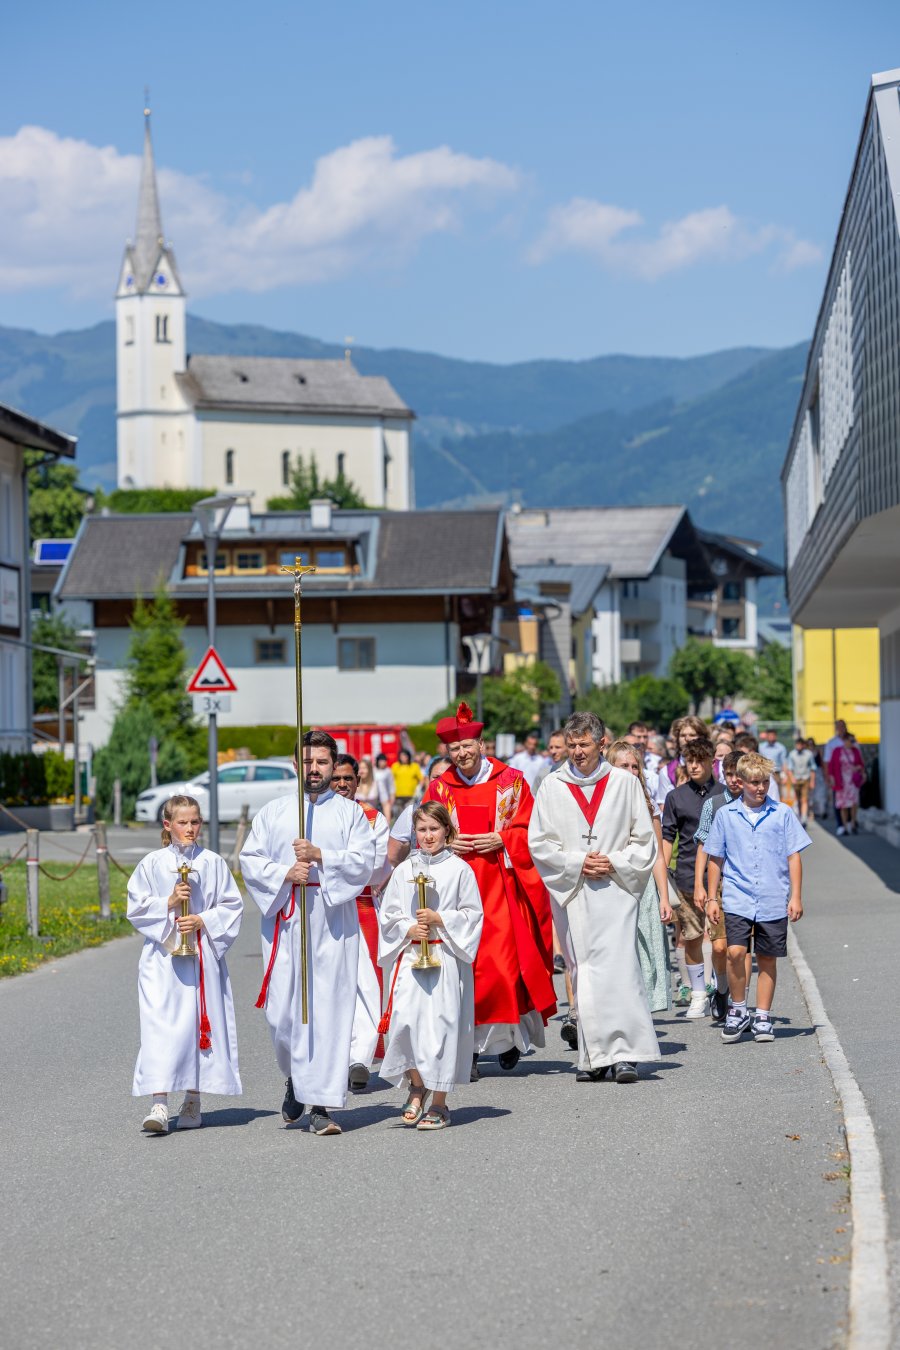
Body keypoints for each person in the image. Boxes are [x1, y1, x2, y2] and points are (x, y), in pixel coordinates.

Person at [240, 731, 376, 1136]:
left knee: (328, 1010)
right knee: (282, 1013)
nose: (314, 769)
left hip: (333, 920)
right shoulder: (275, 812)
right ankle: (295, 1077)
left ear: (334, 765)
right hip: (288, 917)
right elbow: (250, 859)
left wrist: (321, 856)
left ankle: (321, 1105)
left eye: (321, 762)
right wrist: (285, 872)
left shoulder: (350, 814)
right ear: (296, 764)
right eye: (307, 762)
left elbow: (363, 862)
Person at [423, 701, 556, 1077]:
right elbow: (425, 831)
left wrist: (503, 838)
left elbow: (534, 828)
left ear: (481, 745)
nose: (462, 753)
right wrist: (448, 842)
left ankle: (508, 1038)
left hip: (501, 883)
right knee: (464, 967)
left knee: (501, 966)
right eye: (455, 748)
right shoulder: (439, 787)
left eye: (468, 745)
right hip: (456, 887)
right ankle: (468, 1050)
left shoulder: (510, 781)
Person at [529, 711, 660, 1084]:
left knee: (620, 968)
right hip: (573, 890)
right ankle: (594, 1056)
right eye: (571, 745)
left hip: (616, 889)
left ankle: (625, 1054)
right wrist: (577, 862)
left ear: (602, 743)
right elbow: (539, 842)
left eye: (584, 744)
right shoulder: (552, 786)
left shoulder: (624, 783)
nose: (577, 752)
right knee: (583, 971)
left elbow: (644, 840)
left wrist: (613, 862)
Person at [127, 795, 243, 1133]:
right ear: (168, 824)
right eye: (182, 822)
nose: (190, 828)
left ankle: (193, 1099)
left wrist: (203, 919)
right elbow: (136, 907)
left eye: (195, 822)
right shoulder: (152, 864)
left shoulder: (212, 862)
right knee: (159, 1027)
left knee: (197, 1025)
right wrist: (168, 902)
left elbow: (232, 905)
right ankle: (159, 1102)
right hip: (163, 957)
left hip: (201, 954)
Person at [377, 802, 484, 1130]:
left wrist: (441, 918)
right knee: (404, 1024)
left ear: (447, 831)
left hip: (445, 956)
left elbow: (473, 914)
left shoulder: (460, 870)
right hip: (411, 956)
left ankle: (439, 1102)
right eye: (421, 829)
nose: (427, 836)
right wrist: (408, 928)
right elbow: (389, 914)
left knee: (441, 1029)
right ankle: (417, 1085)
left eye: (434, 829)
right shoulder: (403, 871)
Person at [704, 752, 811, 1043]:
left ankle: (762, 1015)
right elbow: (716, 858)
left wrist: (796, 896)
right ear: (740, 781)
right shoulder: (726, 815)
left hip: (772, 897)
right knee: (735, 953)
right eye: (754, 782)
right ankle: (738, 1009)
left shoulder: (782, 813)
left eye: (764, 782)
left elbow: (794, 856)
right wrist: (712, 898)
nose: (760, 787)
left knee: (767, 958)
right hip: (737, 896)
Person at [331, 754, 392, 1094]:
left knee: (367, 985)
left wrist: (332, 863)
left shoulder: (372, 818)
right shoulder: (313, 817)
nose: (342, 784)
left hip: (361, 906)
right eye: (336, 778)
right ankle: (334, 1057)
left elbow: (375, 866)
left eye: (348, 778)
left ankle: (360, 1058)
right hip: (324, 908)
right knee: (331, 984)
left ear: (358, 781)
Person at [661, 738, 728, 1021]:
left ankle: (722, 990)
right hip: (687, 875)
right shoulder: (675, 797)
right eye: (690, 761)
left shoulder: (726, 794)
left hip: (723, 878)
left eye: (700, 760)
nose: (694, 766)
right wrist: (662, 875)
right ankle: (698, 994)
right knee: (691, 937)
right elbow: (667, 837)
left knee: (720, 942)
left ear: (712, 762)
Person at [605, 740, 674, 1013]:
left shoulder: (648, 803)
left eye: (635, 766)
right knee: (616, 951)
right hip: (612, 883)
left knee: (646, 952)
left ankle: (641, 1012)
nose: (631, 772)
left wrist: (664, 897)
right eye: (624, 766)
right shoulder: (601, 802)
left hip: (643, 887)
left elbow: (657, 854)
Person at [693, 749, 752, 1008]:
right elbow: (703, 846)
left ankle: (741, 1003)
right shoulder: (713, 804)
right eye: (729, 774)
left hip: (747, 884)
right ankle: (722, 988)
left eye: (738, 774)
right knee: (719, 947)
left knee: (742, 948)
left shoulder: (755, 803)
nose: (734, 780)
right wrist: (700, 885)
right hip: (719, 884)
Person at [388, 754, 453, 868]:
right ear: (428, 780)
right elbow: (392, 857)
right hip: (421, 876)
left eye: (447, 777)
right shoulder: (412, 812)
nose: (441, 782)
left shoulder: (464, 812)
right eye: (436, 777)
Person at [829, 731, 866, 835]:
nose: (852, 742)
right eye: (850, 740)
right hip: (841, 781)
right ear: (844, 740)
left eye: (853, 741)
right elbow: (831, 765)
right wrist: (832, 777)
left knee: (854, 803)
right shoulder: (837, 751)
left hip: (853, 781)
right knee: (843, 804)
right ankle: (844, 826)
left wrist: (859, 769)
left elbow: (861, 764)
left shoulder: (856, 751)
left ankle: (853, 823)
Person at [786, 735, 817, 827]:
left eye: (800, 744)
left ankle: (804, 818)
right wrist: (792, 778)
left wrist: (812, 781)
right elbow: (790, 768)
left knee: (804, 799)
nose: (798, 746)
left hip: (805, 779)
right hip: (796, 779)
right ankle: (799, 816)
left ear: (803, 745)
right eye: (797, 744)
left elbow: (813, 768)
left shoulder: (809, 754)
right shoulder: (792, 754)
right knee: (798, 799)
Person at [391, 748, 423, 816]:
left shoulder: (414, 766)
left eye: (405, 756)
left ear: (408, 756)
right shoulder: (395, 766)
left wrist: (419, 788)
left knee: (409, 814)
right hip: (398, 796)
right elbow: (391, 780)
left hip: (411, 796)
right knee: (399, 815)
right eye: (402, 756)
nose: (403, 758)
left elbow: (421, 779)